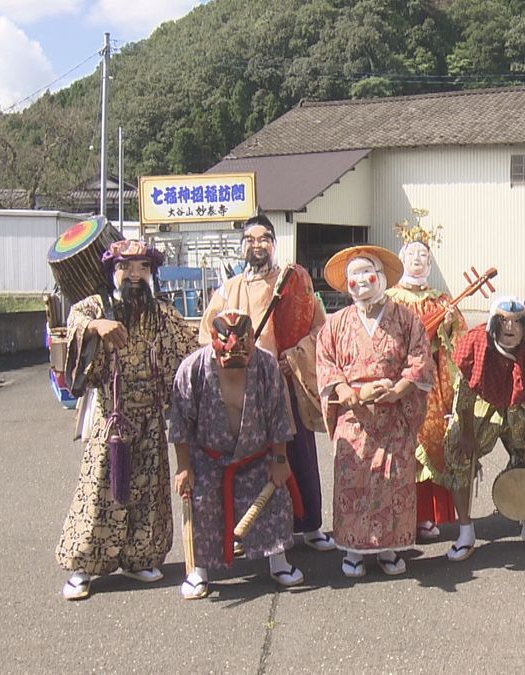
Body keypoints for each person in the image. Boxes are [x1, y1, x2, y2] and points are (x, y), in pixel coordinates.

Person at [56, 239, 198, 601]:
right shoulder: (96, 306)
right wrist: (96, 327)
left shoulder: (162, 314)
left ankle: (141, 557)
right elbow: (73, 319)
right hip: (111, 416)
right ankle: (83, 567)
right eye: (126, 267)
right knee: (100, 490)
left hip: (150, 416)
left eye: (143, 268)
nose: (135, 275)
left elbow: (194, 343)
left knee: (149, 492)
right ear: (112, 271)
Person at [198, 215, 334, 551]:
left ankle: (310, 525)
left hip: (286, 381)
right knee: (250, 461)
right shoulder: (229, 289)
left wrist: (295, 355)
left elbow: (320, 330)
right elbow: (207, 334)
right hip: (244, 389)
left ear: (274, 244)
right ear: (241, 245)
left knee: (299, 453)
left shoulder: (292, 283)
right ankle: (251, 529)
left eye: (264, 239)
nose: (257, 245)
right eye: (250, 239)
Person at [315, 245, 433, 578]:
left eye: (366, 273)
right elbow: (325, 364)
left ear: (381, 277)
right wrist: (346, 393)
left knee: (392, 481)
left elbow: (420, 359)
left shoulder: (406, 319)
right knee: (353, 479)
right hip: (354, 418)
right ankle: (353, 549)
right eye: (352, 277)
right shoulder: (335, 324)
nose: (359, 282)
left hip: (394, 415)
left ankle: (389, 548)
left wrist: (399, 389)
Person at [169, 310, 301, 599]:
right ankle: (199, 569)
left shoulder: (266, 365)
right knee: (200, 501)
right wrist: (184, 467)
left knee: (277, 498)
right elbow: (180, 422)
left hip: (255, 456)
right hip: (208, 458)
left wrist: (280, 460)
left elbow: (279, 415)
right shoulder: (192, 368)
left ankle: (278, 560)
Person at [439, 296, 525, 561]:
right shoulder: (476, 344)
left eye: (517, 323)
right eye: (504, 322)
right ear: (493, 324)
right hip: (483, 403)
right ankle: (465, 532)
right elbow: (464, 395)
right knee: (456, 450)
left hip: (522, 401)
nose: (510, 328)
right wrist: (468, 435)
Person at [385, 231, 465, 541]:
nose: (418, 259)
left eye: (424, 255)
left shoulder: (442, 299)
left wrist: (446, 328)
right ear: (401, 258)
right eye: (412, 254)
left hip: (431, 387)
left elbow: (460, 342)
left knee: (430, 448)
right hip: (398, 383)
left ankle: (424, 516)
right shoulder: (390, 298)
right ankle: (399, 515)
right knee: (399, 450)